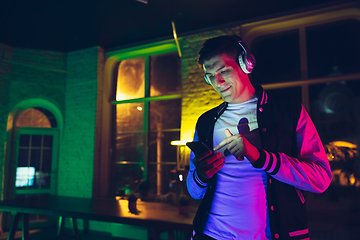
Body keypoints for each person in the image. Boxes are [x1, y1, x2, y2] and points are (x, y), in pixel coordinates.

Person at [186, 35, 332, 240]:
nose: (217, 83)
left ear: (246, 64)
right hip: (210, 234)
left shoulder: (288, 112)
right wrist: (202, 175)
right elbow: (194, 192)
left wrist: (262, 158)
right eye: (210, 76)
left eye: (223, 71)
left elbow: (321, 179)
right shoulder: (205, 121)